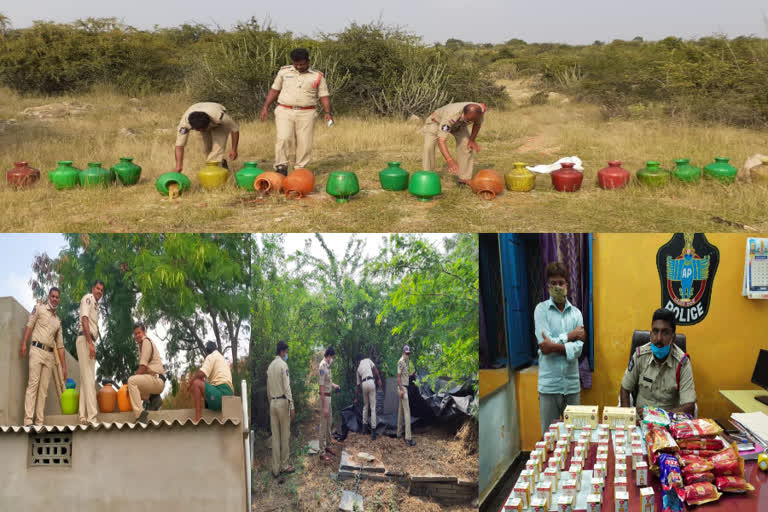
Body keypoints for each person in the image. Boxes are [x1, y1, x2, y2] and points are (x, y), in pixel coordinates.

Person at [259, 48, 333, 175]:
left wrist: (327, 112)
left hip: (307, 113)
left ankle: (300, 169)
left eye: (302, 64)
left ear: (308, 61)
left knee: (304, 142)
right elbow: (274, 90)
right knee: (283, 138)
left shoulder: (318, 76)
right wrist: (265, 106)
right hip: (284, 110)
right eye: (296, 64)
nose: (299, 66)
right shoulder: (283, 72)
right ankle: (281, 167)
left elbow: (324, 96)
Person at [534, 262, 586, 435]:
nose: (557, 287)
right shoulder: (541, 310)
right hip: (549, 386)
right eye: (553, 283)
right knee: (549, 438)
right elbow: (544, 346)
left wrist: (553, 346)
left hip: (571, 386)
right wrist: (570, 336)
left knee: (575, 436)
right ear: (548, 286)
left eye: (561, 283)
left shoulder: (576, 314)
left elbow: (578, 349)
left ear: (567, 285)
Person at [620, 308, 696, 417]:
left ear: (673, 337)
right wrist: (628, 420)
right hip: (640, 422)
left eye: (665, 333)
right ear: (651, 334)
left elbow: (689, 407)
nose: (659, 338)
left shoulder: (682, 363)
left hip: (668, 423)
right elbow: (625, 389)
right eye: (655, 331)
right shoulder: (640, 355)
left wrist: (657, 415)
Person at [19, 287, 66, 426]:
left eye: (57, 297)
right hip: (36, 350)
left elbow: (60, 346)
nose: (55, 299)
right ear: (48, 297)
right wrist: (23, 344)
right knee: (33, 384)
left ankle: (39, 422)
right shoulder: (39, 308)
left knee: (43, 390)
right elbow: (29, 325)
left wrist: (64, 367)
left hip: (50, 355)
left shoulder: (58, 321)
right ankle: (28, 420)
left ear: (59, 299)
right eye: (53, 296)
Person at [422, 102, 486, 184]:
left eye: (471, 121)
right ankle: (428, 176)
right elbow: (441, 140)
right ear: (464, 113)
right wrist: (450, 161)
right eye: (468, 120)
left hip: (459, 124)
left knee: (467, 145)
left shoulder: (479, 112)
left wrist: (472, 140)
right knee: (429, 147)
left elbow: (477, 124)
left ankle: (464, 178)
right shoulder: (450, 115)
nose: (470, 122)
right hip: (437, 122)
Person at [173, 102, 239, 172]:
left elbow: (235, 129)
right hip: (199, 111)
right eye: (200, 130)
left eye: (204, 129)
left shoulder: (219, 116)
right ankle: (222, 163)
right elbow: (179, 145)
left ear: (209, 122)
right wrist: (178, 165)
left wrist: (234, 150)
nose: (203, 131)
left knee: (217, 149)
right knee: (207, 150)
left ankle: (214, 174)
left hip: (219, 122)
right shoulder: (184, 124)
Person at [127, 323, 166, 424]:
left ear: (144, 332)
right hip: (154, 381)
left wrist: (129, 384)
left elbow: (143, 367)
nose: (137, 336)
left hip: (157, 380)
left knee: (131, 382)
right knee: (132, 391)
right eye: (135, 334)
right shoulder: (141, 346)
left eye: (139, 332)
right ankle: (154, 398)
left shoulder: (146, 342)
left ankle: (140, 415)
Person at [266, 341, 295, 478]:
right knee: (285, 435)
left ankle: (275, 469)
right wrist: (292, 406)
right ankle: (284, 465)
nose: (287, 354)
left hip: (272, 403)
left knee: (275, 437)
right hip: (283, 402)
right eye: (286, 352)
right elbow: (287, 387)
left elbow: (268, 389)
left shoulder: (270, 366)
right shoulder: (283, 365)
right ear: (282, 351)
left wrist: (271, 402)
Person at [77, 280, 104, 425]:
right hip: (85, 339)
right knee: (89, 378)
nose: (99, 291)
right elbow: (85, 319)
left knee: (84, 378)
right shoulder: (88, 298)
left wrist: (91, 342)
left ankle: (82, 416)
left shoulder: (96, 305)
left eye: (101, 290)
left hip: (89, 340)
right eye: (97, 288)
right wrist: (89, 342)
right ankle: (92, 417)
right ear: (92, 288)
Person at [188, 341, 234, 423]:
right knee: (204, 385)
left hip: (221, 395)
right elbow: (205, 381)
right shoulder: (221, 358)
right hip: (228, 395)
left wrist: (190, 382)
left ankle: (198, 418)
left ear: (207, 351)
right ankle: (207, 411)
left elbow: (201, 374)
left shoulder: (211, 356)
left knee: (196, 383)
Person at [318, 346, 340, 462]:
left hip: (329, 397)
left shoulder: (327, 366)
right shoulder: (322, 366)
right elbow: (321, 387)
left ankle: (328, 446)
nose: (332, 359)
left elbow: (327, 382)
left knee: (329, 423)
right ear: (329, 356)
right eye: (332, 357)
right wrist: (325, 406)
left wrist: (334, 385)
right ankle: (321, 452)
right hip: (324, 398)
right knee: (323, 425)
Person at [354, 355, 382, 440]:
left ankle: (364, 429)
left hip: (364, 384)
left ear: (358, 361)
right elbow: (375, 369)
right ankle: (373, 433)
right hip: (370, 382)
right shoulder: (368, 360)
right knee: (373, 408)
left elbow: (358, 386)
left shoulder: (358, 369)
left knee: (365, 407)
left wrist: (356, 398)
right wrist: (379, 379)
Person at [397, 345, 416, 447]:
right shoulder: (400, 362)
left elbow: (404, 375)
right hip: (402, 388)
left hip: (404, 387)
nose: (407, 355)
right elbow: (398, 377)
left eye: (408, 353)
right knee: (407, 412)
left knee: (401, 411)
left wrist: (410, 374)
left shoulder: (405, 362)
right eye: (406, 353)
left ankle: (399, 434)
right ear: (403, 352)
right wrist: (401, 390)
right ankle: (408, 438)